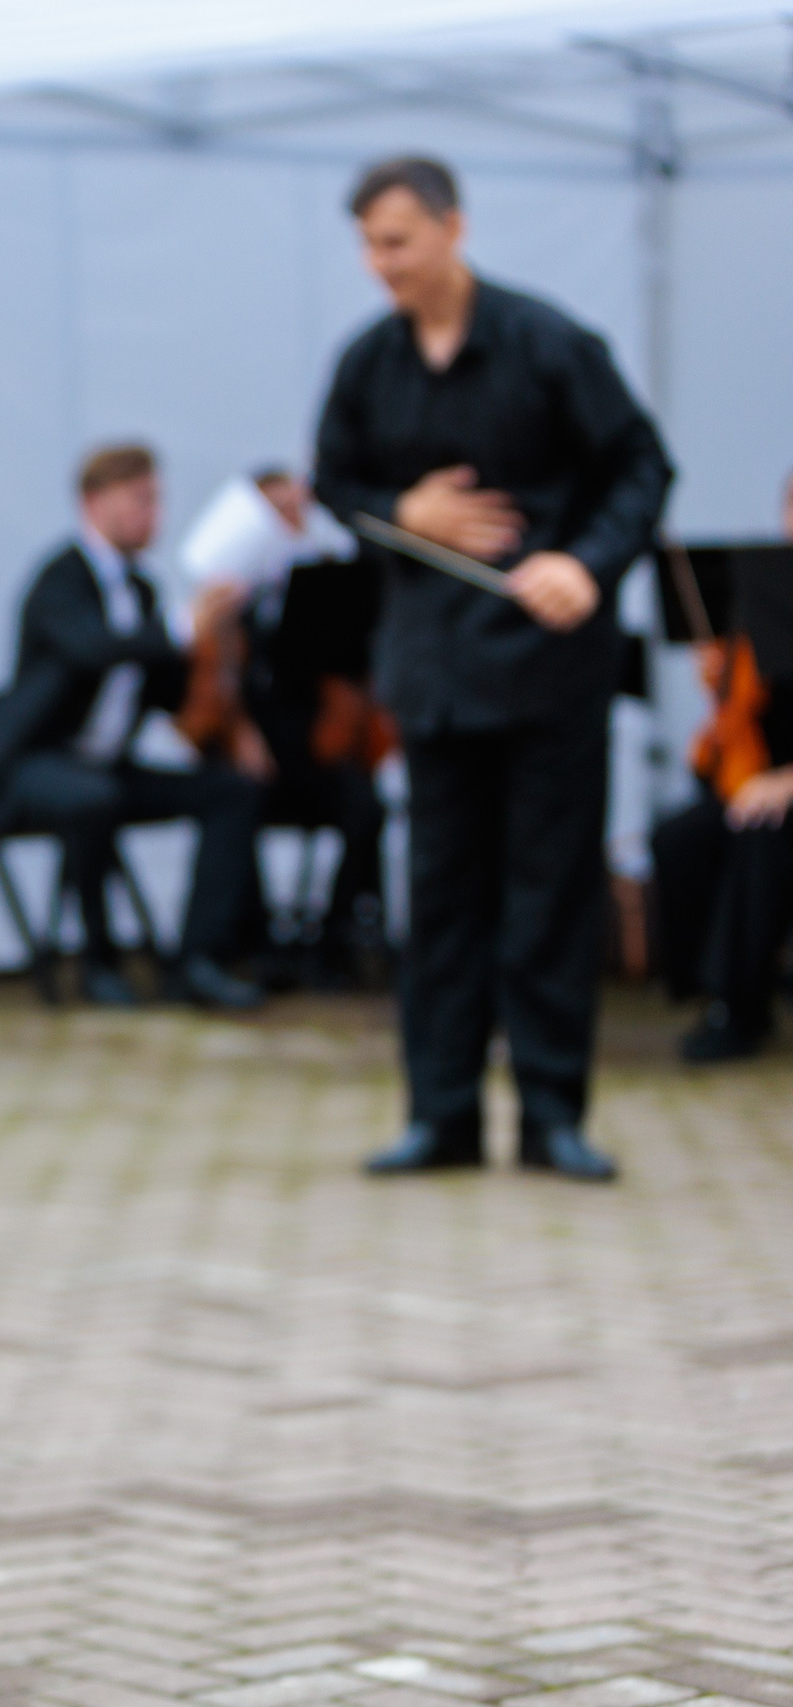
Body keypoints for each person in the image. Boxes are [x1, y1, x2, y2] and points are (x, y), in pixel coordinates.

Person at [313, 157, 672, 1182]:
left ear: (450, 228)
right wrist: (401, 514)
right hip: (431, 671)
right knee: (441, 898)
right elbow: (336, 484)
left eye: (397, 241)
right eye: (369, 246)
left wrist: (585, 564)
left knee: (548, 894)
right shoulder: (366, 364)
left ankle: (554, 1115)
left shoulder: (549, 344)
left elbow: (641, 468)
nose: (381, 264)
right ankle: (443, 1114)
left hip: (548, 665)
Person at [0, 443, 266, 1009]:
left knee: (231, 791)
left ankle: (199, 959)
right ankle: (98, 962)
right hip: (32, 769)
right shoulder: (59, 580)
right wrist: (182, 627)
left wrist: (216, 656)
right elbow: (93, 650)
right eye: (140, 500)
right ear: (94, 501)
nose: (152, 515)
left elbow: (164, 692)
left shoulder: (144, 589)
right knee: (90, 799)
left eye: (156, 501)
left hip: (108, 769)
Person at [178, 467, 388, 978]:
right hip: (248, 745)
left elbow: (348, 668)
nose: (291, 520)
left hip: (309, 742)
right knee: (235, 795)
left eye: (297, 509)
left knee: (364, 803)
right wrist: (237, 732)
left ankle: (337, 937)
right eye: (278, 510)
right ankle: (247, 939)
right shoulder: (222, 602)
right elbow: (201, 696)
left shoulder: (322, 586)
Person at [649, 472, 793, 1063]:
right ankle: (701, 984)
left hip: (781, 788)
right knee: (678, 838)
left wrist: (786, 785)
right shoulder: (766, 595)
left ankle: (741, 1007)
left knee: (758, 837)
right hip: (754, 775)